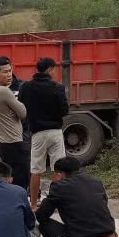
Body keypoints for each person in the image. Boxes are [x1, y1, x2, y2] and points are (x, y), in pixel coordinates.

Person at [36, 157, 119, 237]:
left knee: (45, 225)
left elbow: (41, 215)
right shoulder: (96, 182)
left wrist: (47, 200)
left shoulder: (59, 186)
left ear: (59, 174)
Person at [17, 56, 69, 208]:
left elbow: (21, 107)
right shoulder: (57, 87)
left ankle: (33, 204)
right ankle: (57, 204)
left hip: (37, 133)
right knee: (57, 168)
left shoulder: (26, 87)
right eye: (53, 69)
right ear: (49, 69)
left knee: (36, 170)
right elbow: (64, 110)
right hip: (55, 132)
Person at [0, 56, 30, 190]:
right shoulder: (3, 90)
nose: (9, 74)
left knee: (13, 177)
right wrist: (17, 109)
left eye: (10, 70)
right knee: (21, 180)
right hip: (13, 142)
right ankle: (20, 205)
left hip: (5, 142)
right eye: (5, 72)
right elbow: (23, 112)